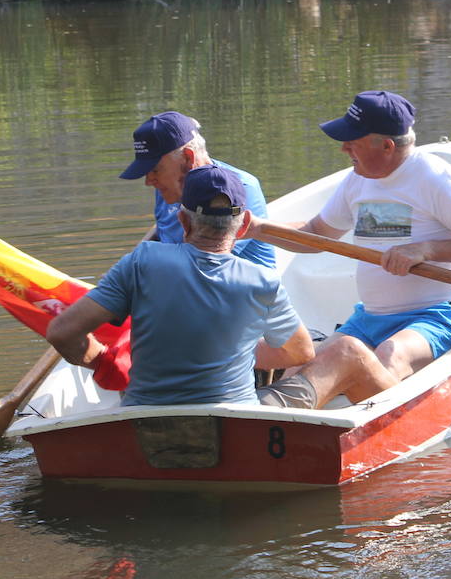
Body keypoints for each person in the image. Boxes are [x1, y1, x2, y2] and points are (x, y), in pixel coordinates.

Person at [251, 90, 451, 409]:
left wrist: (425, 250)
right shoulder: (356, 181)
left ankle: (383, 426)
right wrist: (258, 229)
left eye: (352, 141)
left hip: (442, 312)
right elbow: (315, 233)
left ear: (386, 145)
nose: (344, 148)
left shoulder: (435, 178)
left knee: (391, 354)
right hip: (371, 317)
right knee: (298, 367)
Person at [46, 165, 314, 406]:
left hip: (146, 424)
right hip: (236, 424)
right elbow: (301, 352)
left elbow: (62, 332)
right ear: (243, 225)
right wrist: (237, 351)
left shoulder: (142, 262)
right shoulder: (263, 281)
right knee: (346, 352)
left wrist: (104, 363)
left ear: (183, 221)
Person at [120, 111, 276, 268]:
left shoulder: (238, 189)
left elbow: (207, 265)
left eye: (155, 169)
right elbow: (162, 229)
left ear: (188, 158)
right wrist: (128, 267)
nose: (149, 181)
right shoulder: (168, 186)